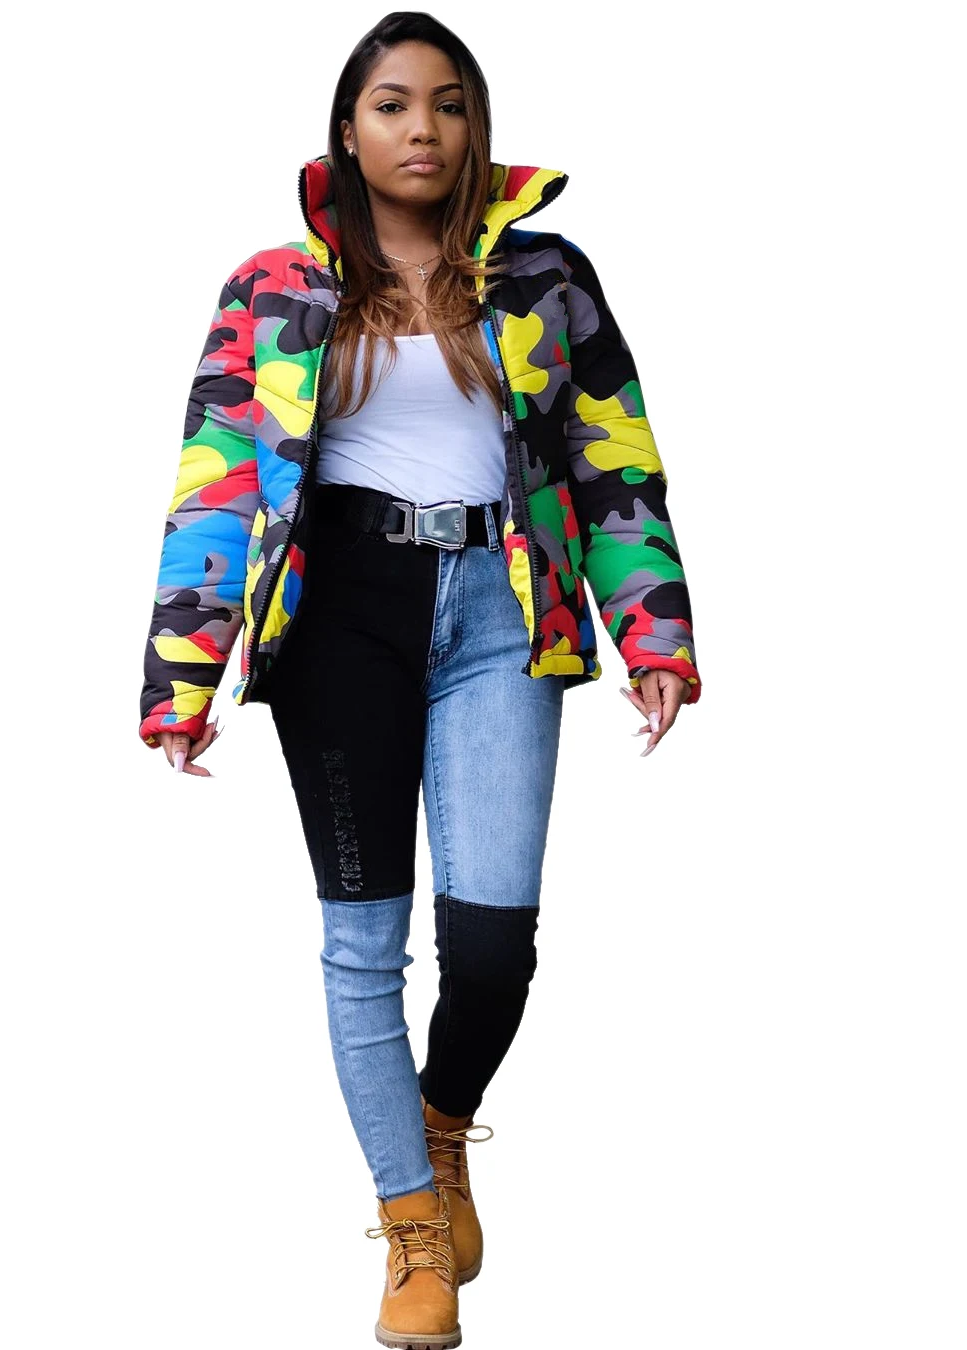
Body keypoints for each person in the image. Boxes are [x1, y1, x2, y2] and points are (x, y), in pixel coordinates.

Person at [137, 12, 702, 1347]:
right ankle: (411, 1228)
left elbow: (614, 456)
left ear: (474, 125)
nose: (422, 129)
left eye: (447, 104)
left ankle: (441, 1124)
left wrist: (656, 635)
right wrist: (180, 672)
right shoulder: (274, 286)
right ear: (349, 129)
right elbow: (214, 482)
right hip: (339, 614)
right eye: (392, 104)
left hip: (504, 612)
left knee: (495, 945)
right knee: (363, 941)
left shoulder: (546, 276)